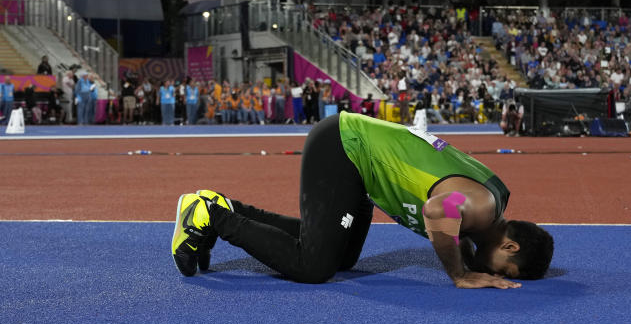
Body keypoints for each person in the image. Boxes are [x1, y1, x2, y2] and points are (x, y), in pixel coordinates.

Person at [170, 112, 554, 287]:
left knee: (341, 257)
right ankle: (208, 215)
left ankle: (227, 207)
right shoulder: (482, 210)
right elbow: (439, 209)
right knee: (314, 267)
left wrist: (470, 258)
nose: (497, 274)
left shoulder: (491, 205)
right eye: (507, 269)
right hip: (345, 148)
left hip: (360, 164)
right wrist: (461, 274)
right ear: (509, 244)